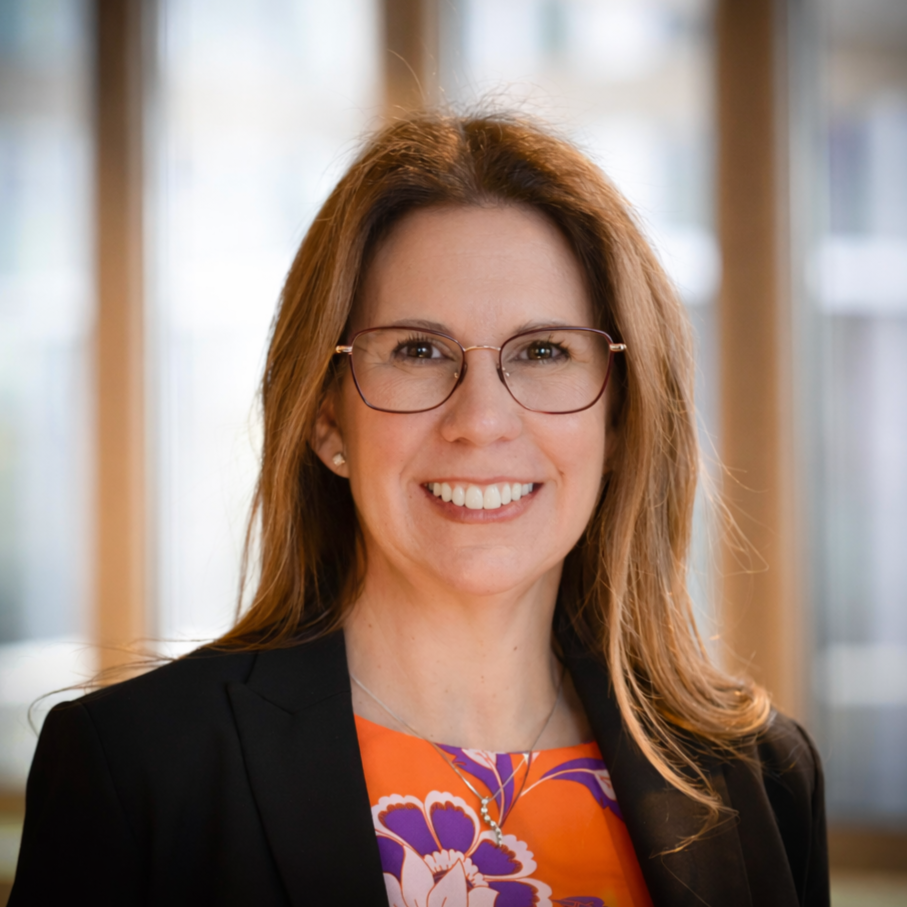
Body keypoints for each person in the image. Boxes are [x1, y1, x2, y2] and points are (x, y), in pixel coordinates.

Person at [10, 111, 829, 907]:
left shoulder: (761, 777)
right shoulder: (139, 768)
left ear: (619, 418)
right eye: (417, 350)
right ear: (327, 418)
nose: (480, 421)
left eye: (544, 351)